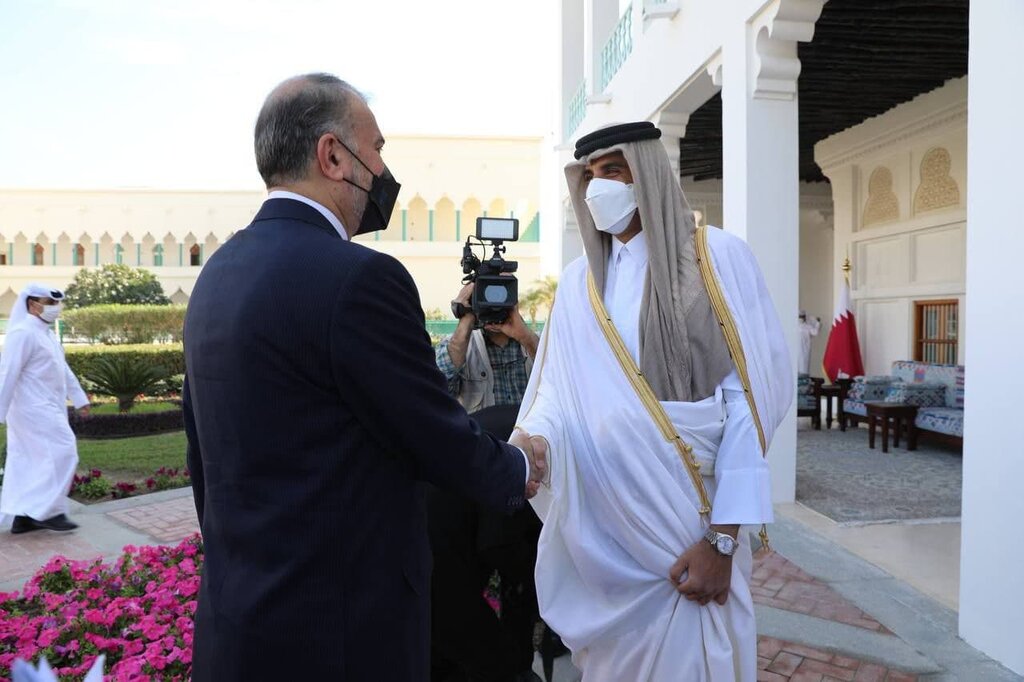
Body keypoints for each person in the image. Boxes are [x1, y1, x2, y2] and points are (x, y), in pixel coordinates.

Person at [183, 73, 545, 682]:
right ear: (332, 155)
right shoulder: (360, 279)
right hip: (339, 635)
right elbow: (431, 432)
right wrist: (522, 463)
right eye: (376, 149)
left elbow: (203, 463)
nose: (382, 169)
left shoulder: (218, 274)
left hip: (239, 624)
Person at [511, 122, 792, 681]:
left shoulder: (718, 261)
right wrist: (533, 440)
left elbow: (748, 406)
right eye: (589, 176)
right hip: (610, 542)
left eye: (612, 171)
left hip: (692, 529)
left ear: (650, 177)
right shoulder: (576, 286)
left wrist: (722, 541)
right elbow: (555, 397)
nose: (598, 189)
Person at [430, 286, 542, 682]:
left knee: (519, 580)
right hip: (476, 488)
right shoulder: (464, 346)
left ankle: (518, 657)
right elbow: (435, 385)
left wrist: (524, 334)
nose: (493, 311)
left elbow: (564, 380)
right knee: (472, 583)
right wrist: (465, 323)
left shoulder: (533, 345)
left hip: (527, 486)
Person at [0, 283, 90, 534]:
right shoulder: (22, 333)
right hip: (31, 409)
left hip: (46, 406)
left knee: (28, 461)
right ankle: (49, 512)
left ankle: (23, 517)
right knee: (64, 451)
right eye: (50, 303)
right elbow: (7, 374)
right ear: (32, 304)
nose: (55, 309)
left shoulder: (46, 334)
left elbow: (63, 370)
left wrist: (79, 398)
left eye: (57, 304)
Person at [798, 310, 821, 375]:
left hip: (802, 351)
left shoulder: (806, 326)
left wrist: (817, 323)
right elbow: (815, 332)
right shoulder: (806, 326)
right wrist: (817, 323)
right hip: (803, 351)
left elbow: (815, 332)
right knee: (802, 367)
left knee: (802, 368)